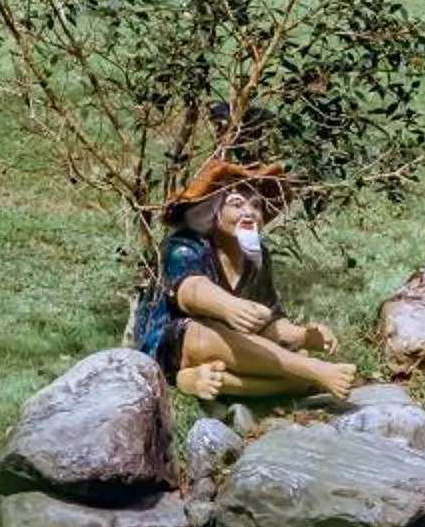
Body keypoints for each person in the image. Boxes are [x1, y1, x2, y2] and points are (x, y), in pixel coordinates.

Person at [136, 159, 359, 404]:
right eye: (236, 204)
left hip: (237, 348)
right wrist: (228, 306)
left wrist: (305, 335)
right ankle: (312, 370)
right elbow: (190, 290)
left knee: (293, 375)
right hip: (176, 342)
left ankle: (194, 381)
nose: (249, 213)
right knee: (205, 333)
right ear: (212, 210)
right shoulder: (184, 246)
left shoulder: (257, 257)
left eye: (255, 205)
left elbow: (269, 322)